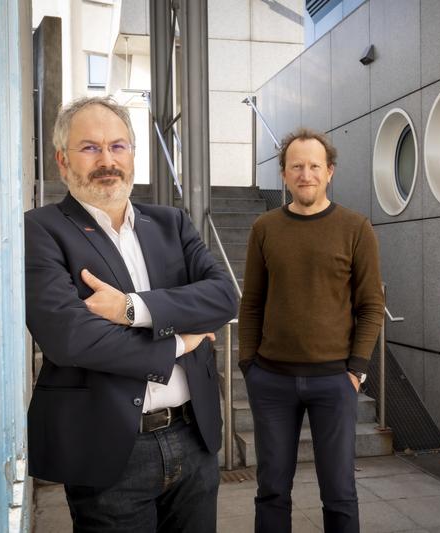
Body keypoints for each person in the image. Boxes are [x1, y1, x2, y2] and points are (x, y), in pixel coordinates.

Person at [25, 96, 238, 532]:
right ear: (62, 162)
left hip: (192, 438)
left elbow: (223, 297)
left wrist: (130, 309)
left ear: (133, 155)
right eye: (90, 148)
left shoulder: (172, 223)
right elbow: (70, 338)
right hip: (109, 452)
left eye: (118, 146)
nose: (107, 160)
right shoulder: (40, 229)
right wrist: (180, 340)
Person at [238, 128, 384, 533]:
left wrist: (355, 370)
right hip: (271, 380)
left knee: (339, 492)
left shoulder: (356, 228)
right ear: (284, 174)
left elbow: (371, 306)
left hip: (334, 381)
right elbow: (250, 303)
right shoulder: (264, 228)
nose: (306, 174)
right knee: (271, 490)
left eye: (314, 166)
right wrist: (248, 365)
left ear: (329, 171)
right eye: (296, 166)